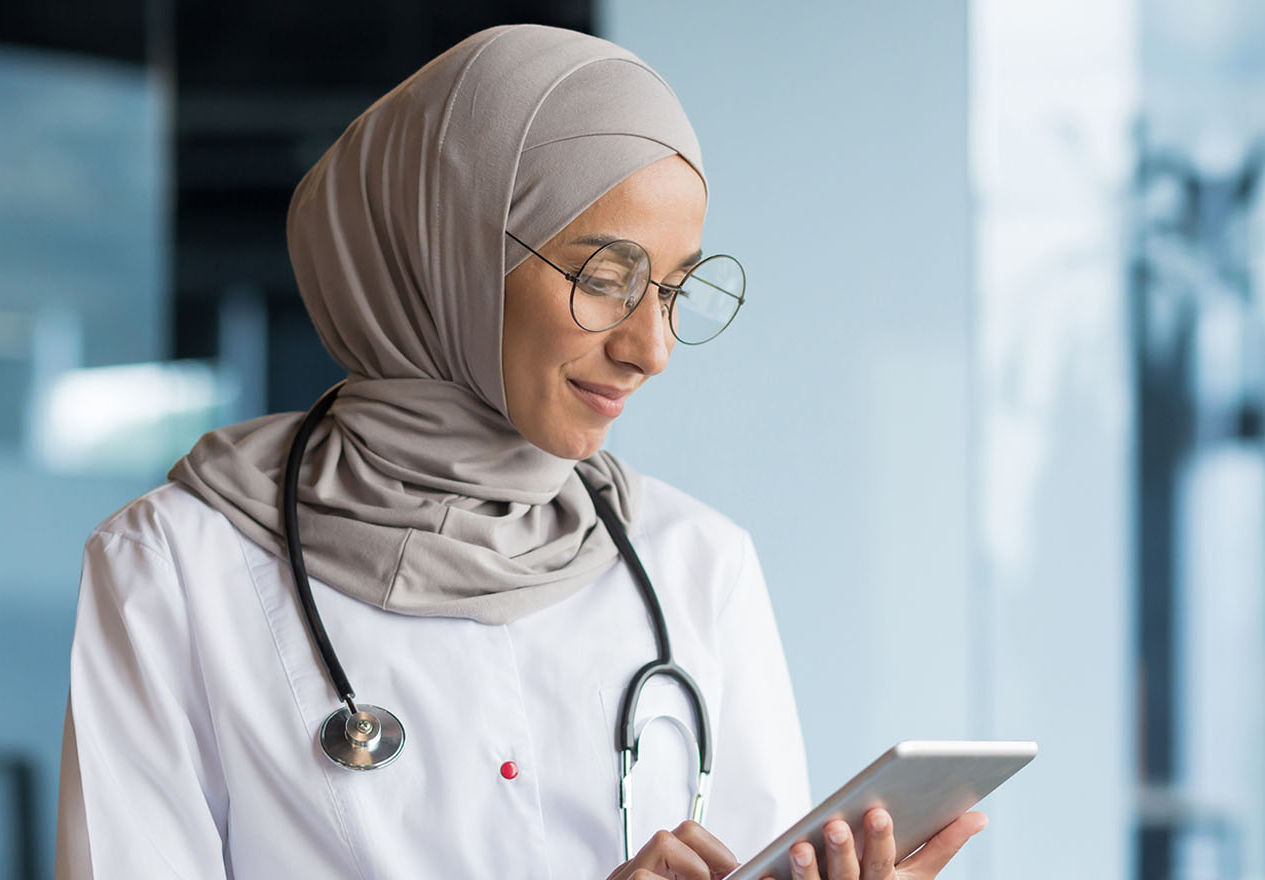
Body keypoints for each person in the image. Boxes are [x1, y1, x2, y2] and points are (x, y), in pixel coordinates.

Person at [54, 23, 987, 880]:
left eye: (674, 289)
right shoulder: (173, 574)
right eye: (605, 277)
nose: (649, 349)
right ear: (447, 249)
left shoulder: (698, 564)